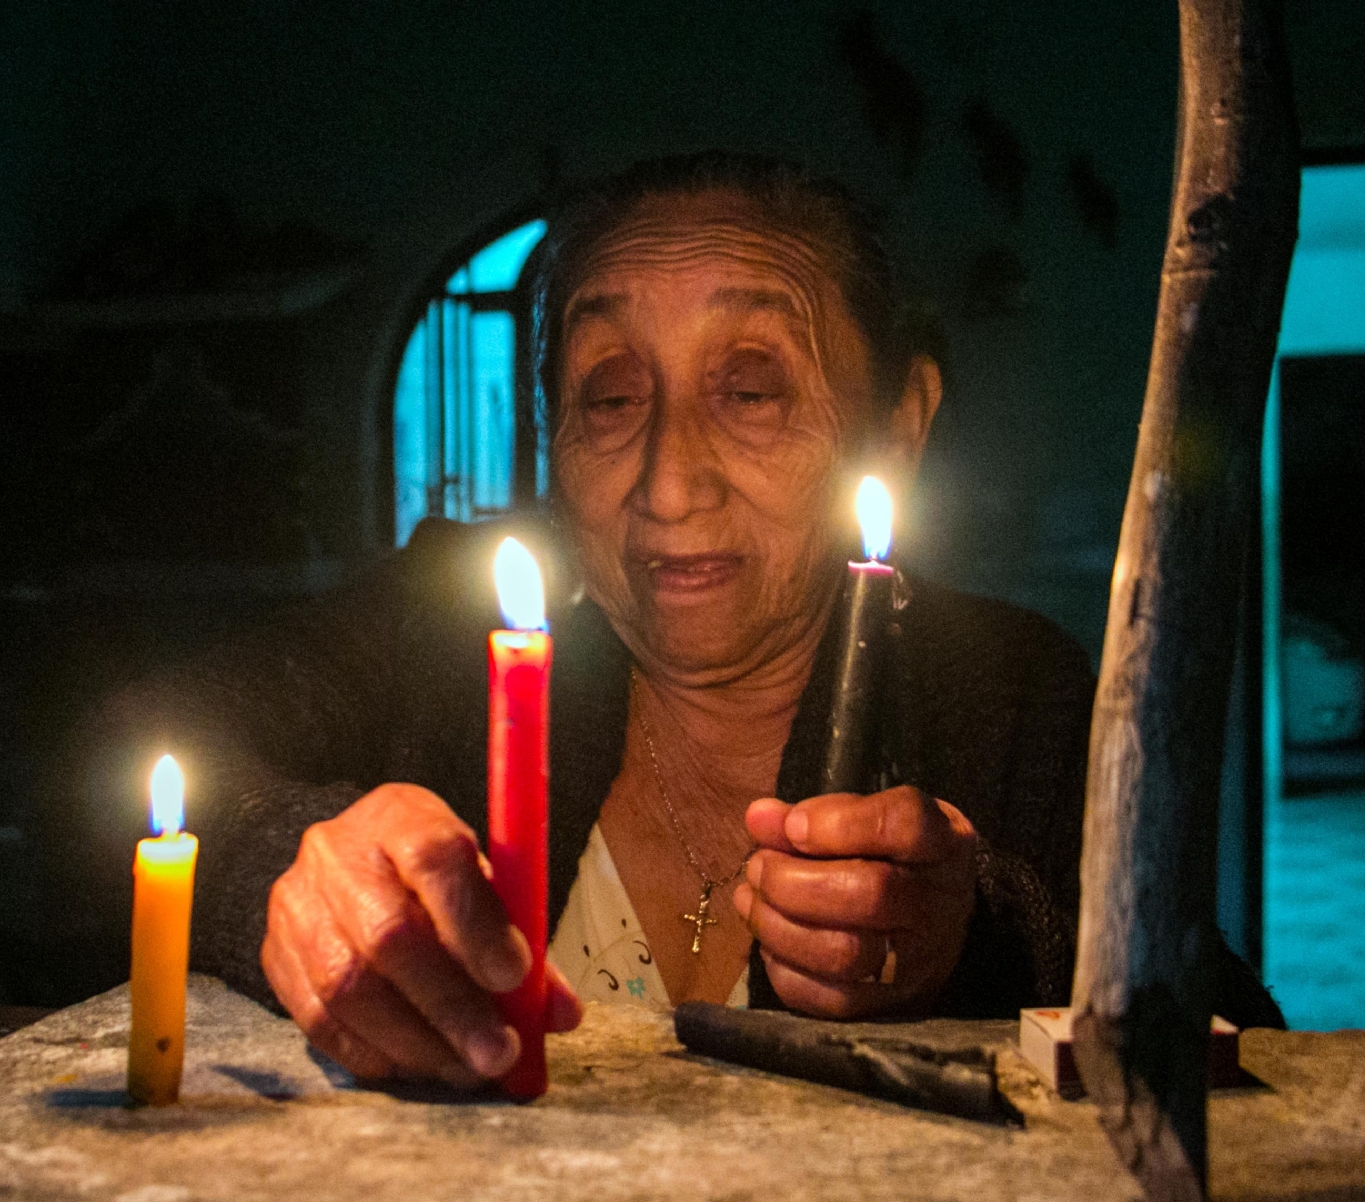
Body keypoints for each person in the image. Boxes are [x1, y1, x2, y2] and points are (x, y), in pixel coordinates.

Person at [106, 152, 1281, 1090]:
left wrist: (975, 938)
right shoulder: (443, 636)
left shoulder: (1010, 686)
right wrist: (282, 864)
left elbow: (1237, 1035)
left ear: (898, 426)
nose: (669, 484)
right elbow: (142, 745)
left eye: (751, 389)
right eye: (610, 396)